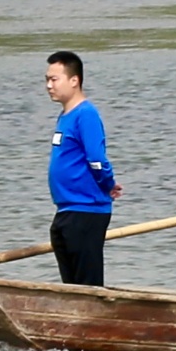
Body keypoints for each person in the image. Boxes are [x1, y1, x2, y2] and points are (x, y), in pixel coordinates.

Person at [40, 49, 116, 285]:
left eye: (54, 79)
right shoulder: (65, 116)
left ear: (74, 81)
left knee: (87, 284)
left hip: (86, 210)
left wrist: (108, 183)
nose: (49, 86)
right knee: (70, 284)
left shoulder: (86, 114)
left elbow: (96, 159)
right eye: (47, 80)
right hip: (66, 209)